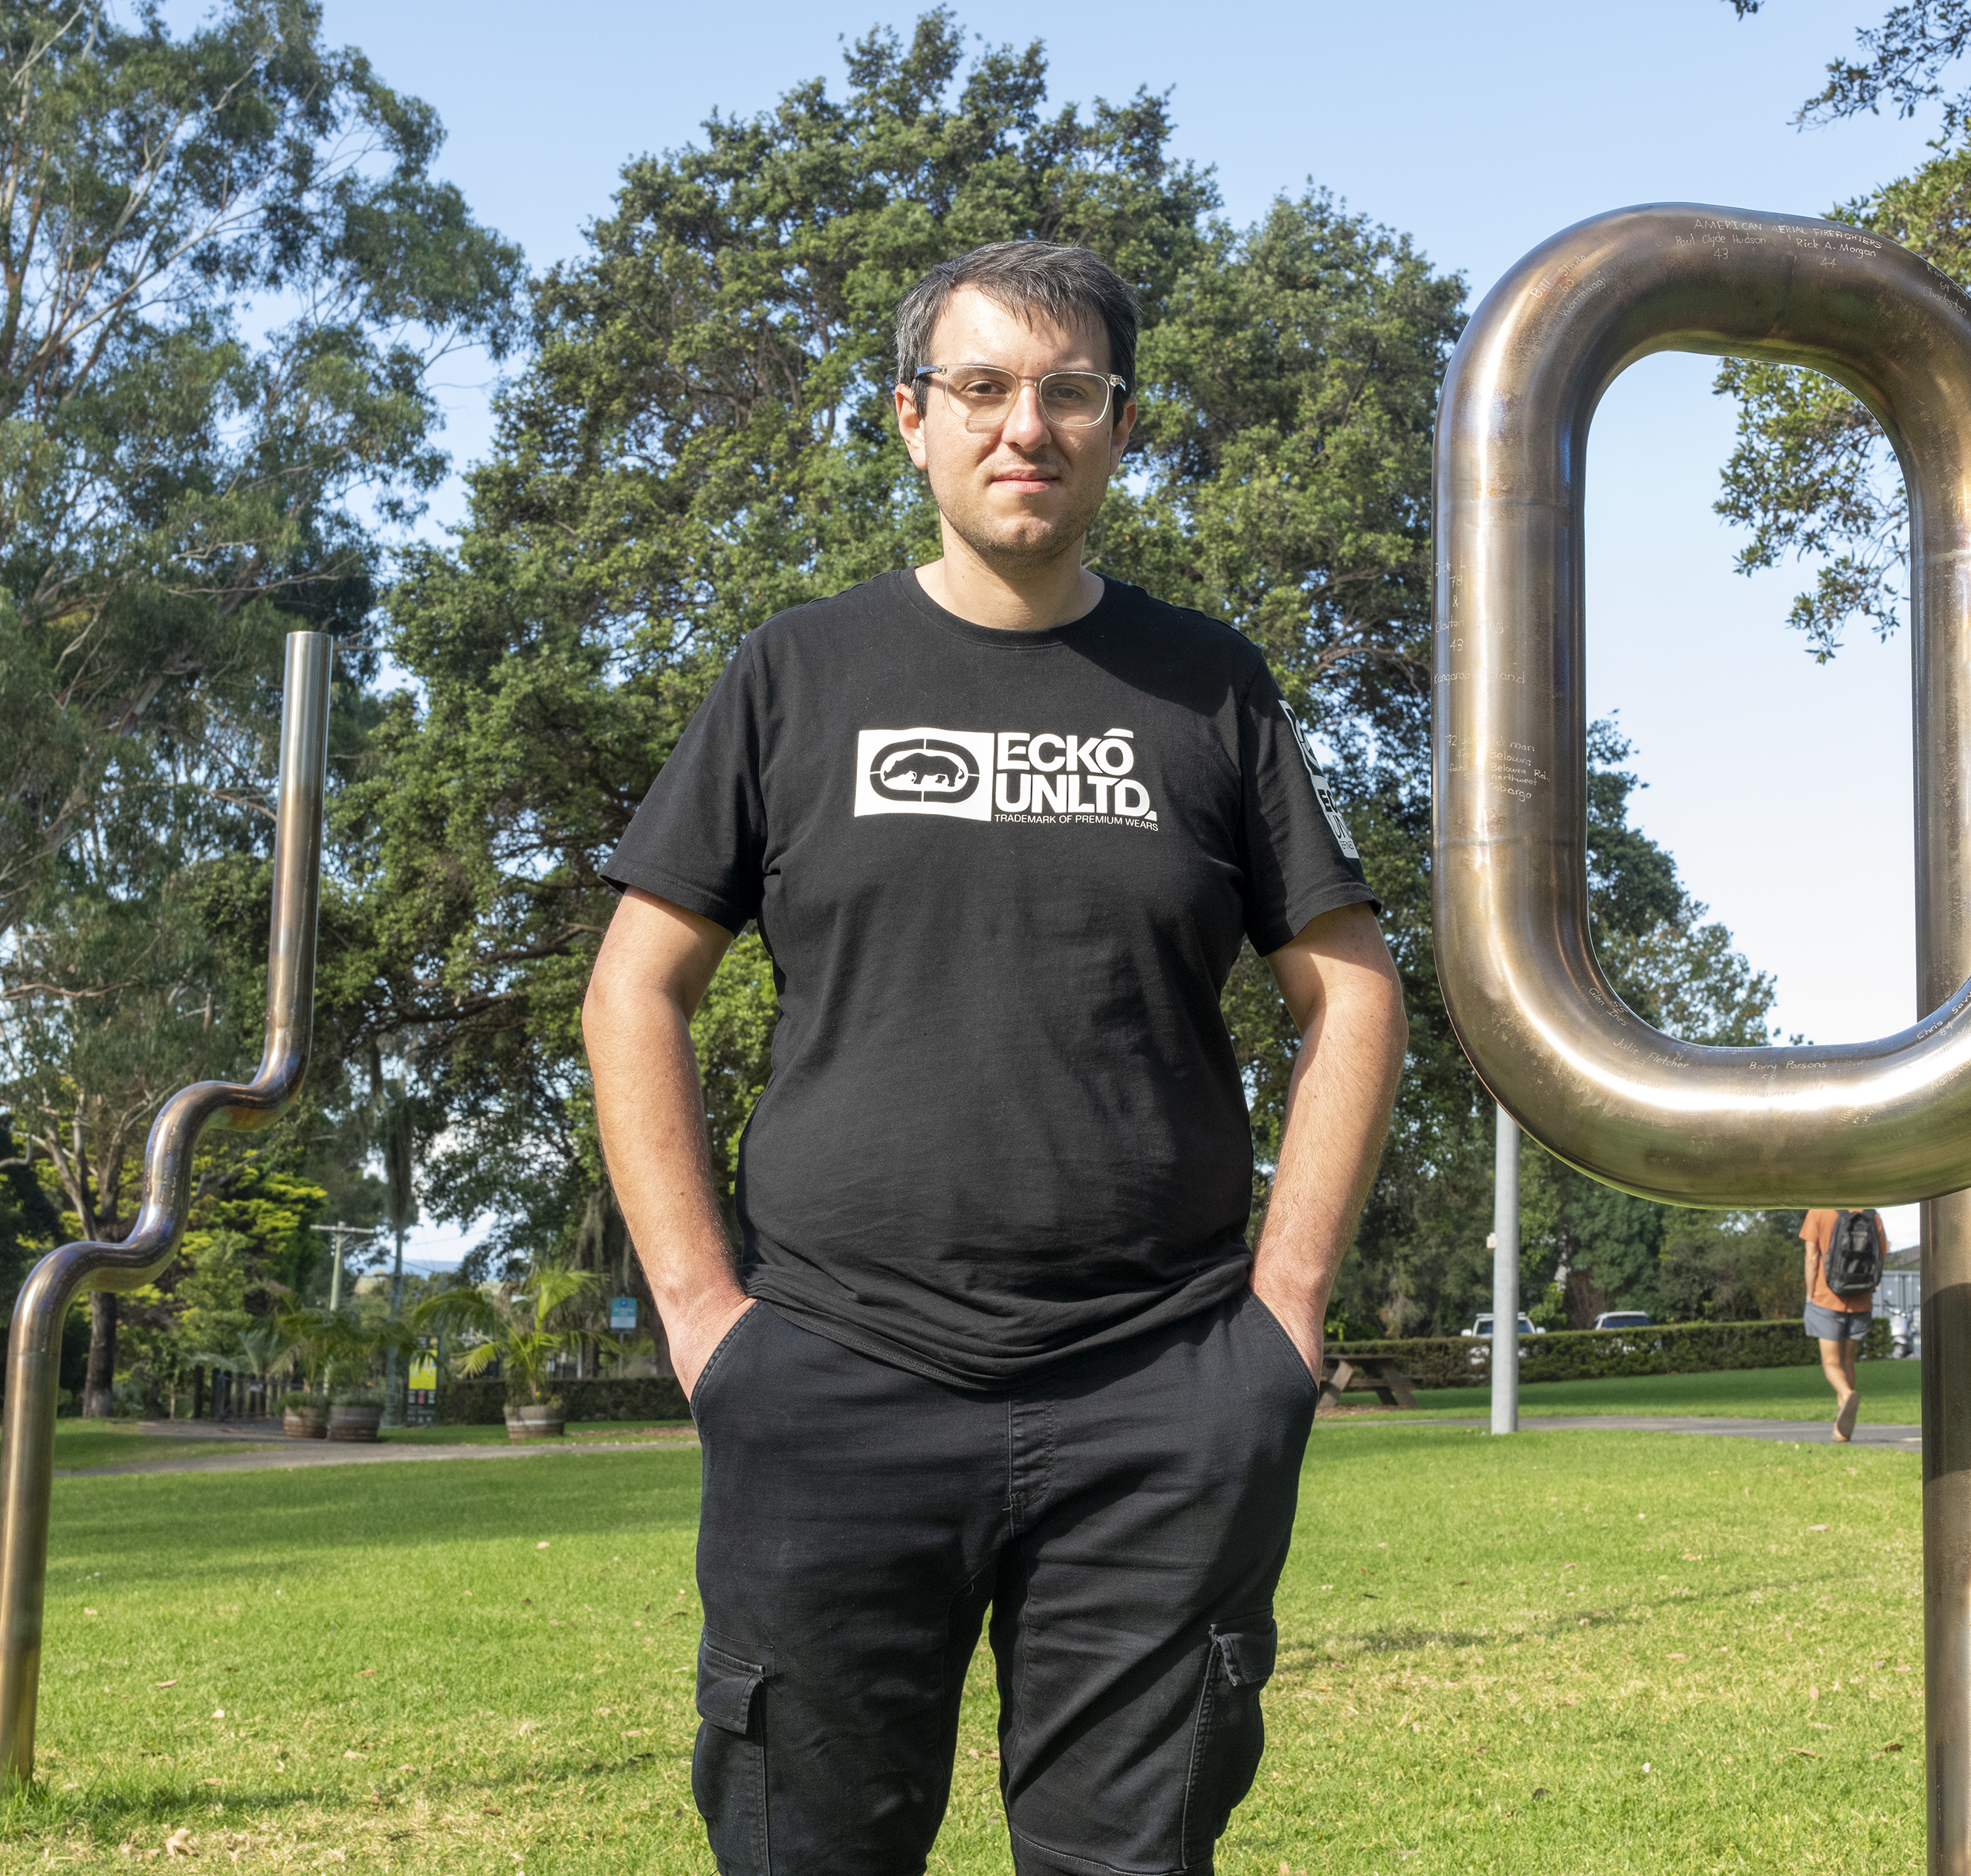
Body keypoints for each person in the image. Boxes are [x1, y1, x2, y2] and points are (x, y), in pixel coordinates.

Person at [581, 239, 1408, 1876]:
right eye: (982, 388)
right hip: (830, 1378)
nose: (1024, 425)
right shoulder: (794, 674)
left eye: (1068, 391)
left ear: (1116, 424)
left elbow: (1355, 992)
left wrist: (1283, 1315)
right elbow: (634, 989)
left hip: (1158, 1397)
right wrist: (703, 1321)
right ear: (911, 418)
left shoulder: (1209, 687)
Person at [1800, 1206, 1888, 1442]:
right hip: (1861, 1300)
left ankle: (1846, 1394)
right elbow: (1882, 1254)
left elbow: (1812, 1257)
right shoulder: (1871, 1214)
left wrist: (1810, 1294)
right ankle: (1841, 1431)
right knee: (1848, 1361)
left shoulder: (1818, 1211)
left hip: (1826, 1299)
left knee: (1831, 1362)